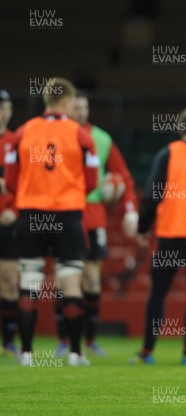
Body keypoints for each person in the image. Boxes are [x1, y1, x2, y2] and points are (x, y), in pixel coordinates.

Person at [4, 77, 99, 366]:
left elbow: (9, 179)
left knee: (29, 282)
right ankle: (75, 353)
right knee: (70, 283)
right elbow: (92, 180)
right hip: (67, 215)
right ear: (67, 100)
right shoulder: (80, 133)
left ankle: (27, 353)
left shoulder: (22, 132)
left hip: (31, 214)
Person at [130, 107, 186, 365]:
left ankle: (147, 351)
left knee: (158, 294)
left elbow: (153, 195)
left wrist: (142, 227)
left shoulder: (167, 154)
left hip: (170, 234)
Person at [54, 90, 139, 357]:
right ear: (67, 108)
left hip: (93, 215)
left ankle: (89, 340)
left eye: (84, 107)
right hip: (63, 212)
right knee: (64, 280)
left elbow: (123, 176)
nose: (80, 112)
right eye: (75, 107)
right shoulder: (54, 136)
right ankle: (65, 341)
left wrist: (129, 209)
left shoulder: (101, 139)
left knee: (91, 280)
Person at [0, 90, 20, 355]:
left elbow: (27, 183)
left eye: (5, 106)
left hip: (8, 221)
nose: (2, 111)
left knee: (8, 282)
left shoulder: (17, 141)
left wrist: (15, 210)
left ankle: (9, 341)